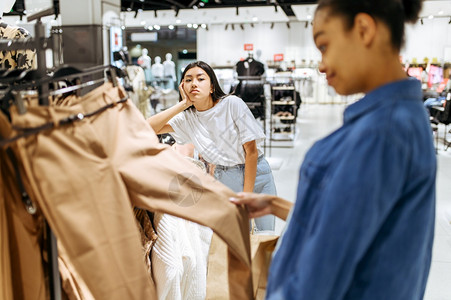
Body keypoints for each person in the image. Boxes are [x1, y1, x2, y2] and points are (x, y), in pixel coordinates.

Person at [231, 0, 436, 299]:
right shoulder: (401, 119)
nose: (321, 64)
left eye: (325, 46)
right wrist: (278, 206)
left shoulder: (379, 134)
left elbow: (320, 275)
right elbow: (362, 227)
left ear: (364, 30)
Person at [147, 61, 276, 232]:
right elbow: (145, 128)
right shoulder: (186, 118)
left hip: (256, 173)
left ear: (212, 87)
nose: (194, 83)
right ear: (182, 86)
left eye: (200, 79)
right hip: (225, 177)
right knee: (236, 241)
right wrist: (183, 104)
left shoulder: (232, 104)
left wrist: (246, 199)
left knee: (265, 237)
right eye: (188, 79)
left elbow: (251, 152)